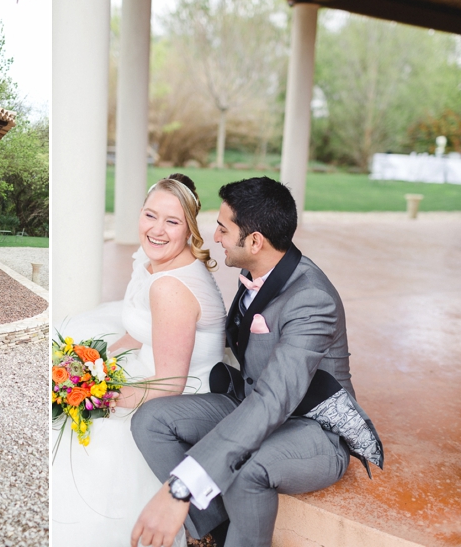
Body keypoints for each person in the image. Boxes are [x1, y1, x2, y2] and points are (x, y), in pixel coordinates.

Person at [130, 177, 382, 547]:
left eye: (223, 228)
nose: (214, 236)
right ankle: (216, 531)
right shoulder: (257, 269)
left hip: (311, 428)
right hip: (249, 400)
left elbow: (275, 400)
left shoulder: (312, 299)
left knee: (249, 468)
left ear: (254, 241)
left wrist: (180, 488)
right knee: (151, 420)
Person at [51, 175, 226, 547]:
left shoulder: (170, 287)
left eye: (172, 221)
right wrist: (90, 362)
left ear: (190, 229)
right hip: (156, 366)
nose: (157, 230)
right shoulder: (152, 263)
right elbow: (139, 331)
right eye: (150, 215)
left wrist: (93, 395)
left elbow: (169, 384)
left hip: (182, 389)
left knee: (90, 436)